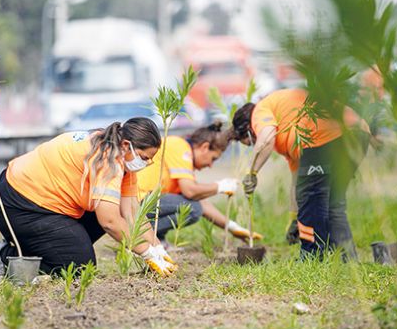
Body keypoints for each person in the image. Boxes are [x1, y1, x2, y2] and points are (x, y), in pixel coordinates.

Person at [0, 117, 177, 281]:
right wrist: (146, 252)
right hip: (20, 203)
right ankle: (4, 257)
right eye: (144, 157)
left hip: (48, 205)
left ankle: (45, 246)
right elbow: (110, 221)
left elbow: (132, 211)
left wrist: (158, 248)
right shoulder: (107, 159)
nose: (146, 163)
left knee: (110, 211)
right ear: (127, 145)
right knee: (79, 268)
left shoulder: (120, 156)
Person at [231, 88, 371, 260]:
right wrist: (293, 217)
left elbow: (266, 137)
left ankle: (312, 256)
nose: (254, 146)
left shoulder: (260, 110)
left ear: (247, 129)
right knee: (333, 202)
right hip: (358, 133)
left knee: (311, 198)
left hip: (323, 136)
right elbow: (298, 181)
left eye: (249, 143)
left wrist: (252, 172)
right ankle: (347, 259)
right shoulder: (290, 136)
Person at [137, 122, 262, 246]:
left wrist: (233, 227)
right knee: (193, 209)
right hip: (139, 202)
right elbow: (190, 191)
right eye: (213, 158)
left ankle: (152, 237)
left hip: (143, 203)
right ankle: (140, 234)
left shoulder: (181, 157)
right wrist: (220, 186)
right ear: (204, 147)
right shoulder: (181, 148)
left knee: (193, 205)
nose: (210, 165)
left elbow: (199, 200)